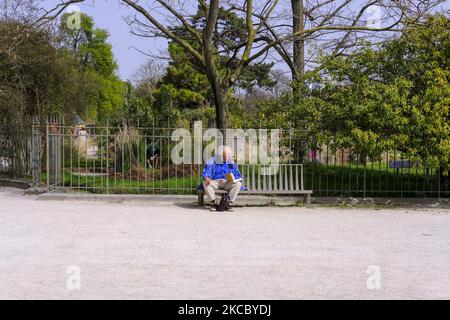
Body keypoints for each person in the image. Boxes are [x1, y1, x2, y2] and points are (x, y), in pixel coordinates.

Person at [202, 145, 242, 211]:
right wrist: (207, 177)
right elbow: (207, 171)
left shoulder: (231, 163)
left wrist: (233, 178)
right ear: (219, 155)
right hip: (215, 181)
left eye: (227, 156)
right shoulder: (212, 161)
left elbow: (237, 175)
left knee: (238, 184)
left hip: (227, 182)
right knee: (205, 183)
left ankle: (227, 203)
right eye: (224, 156)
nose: (226, 157)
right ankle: (214, 203)